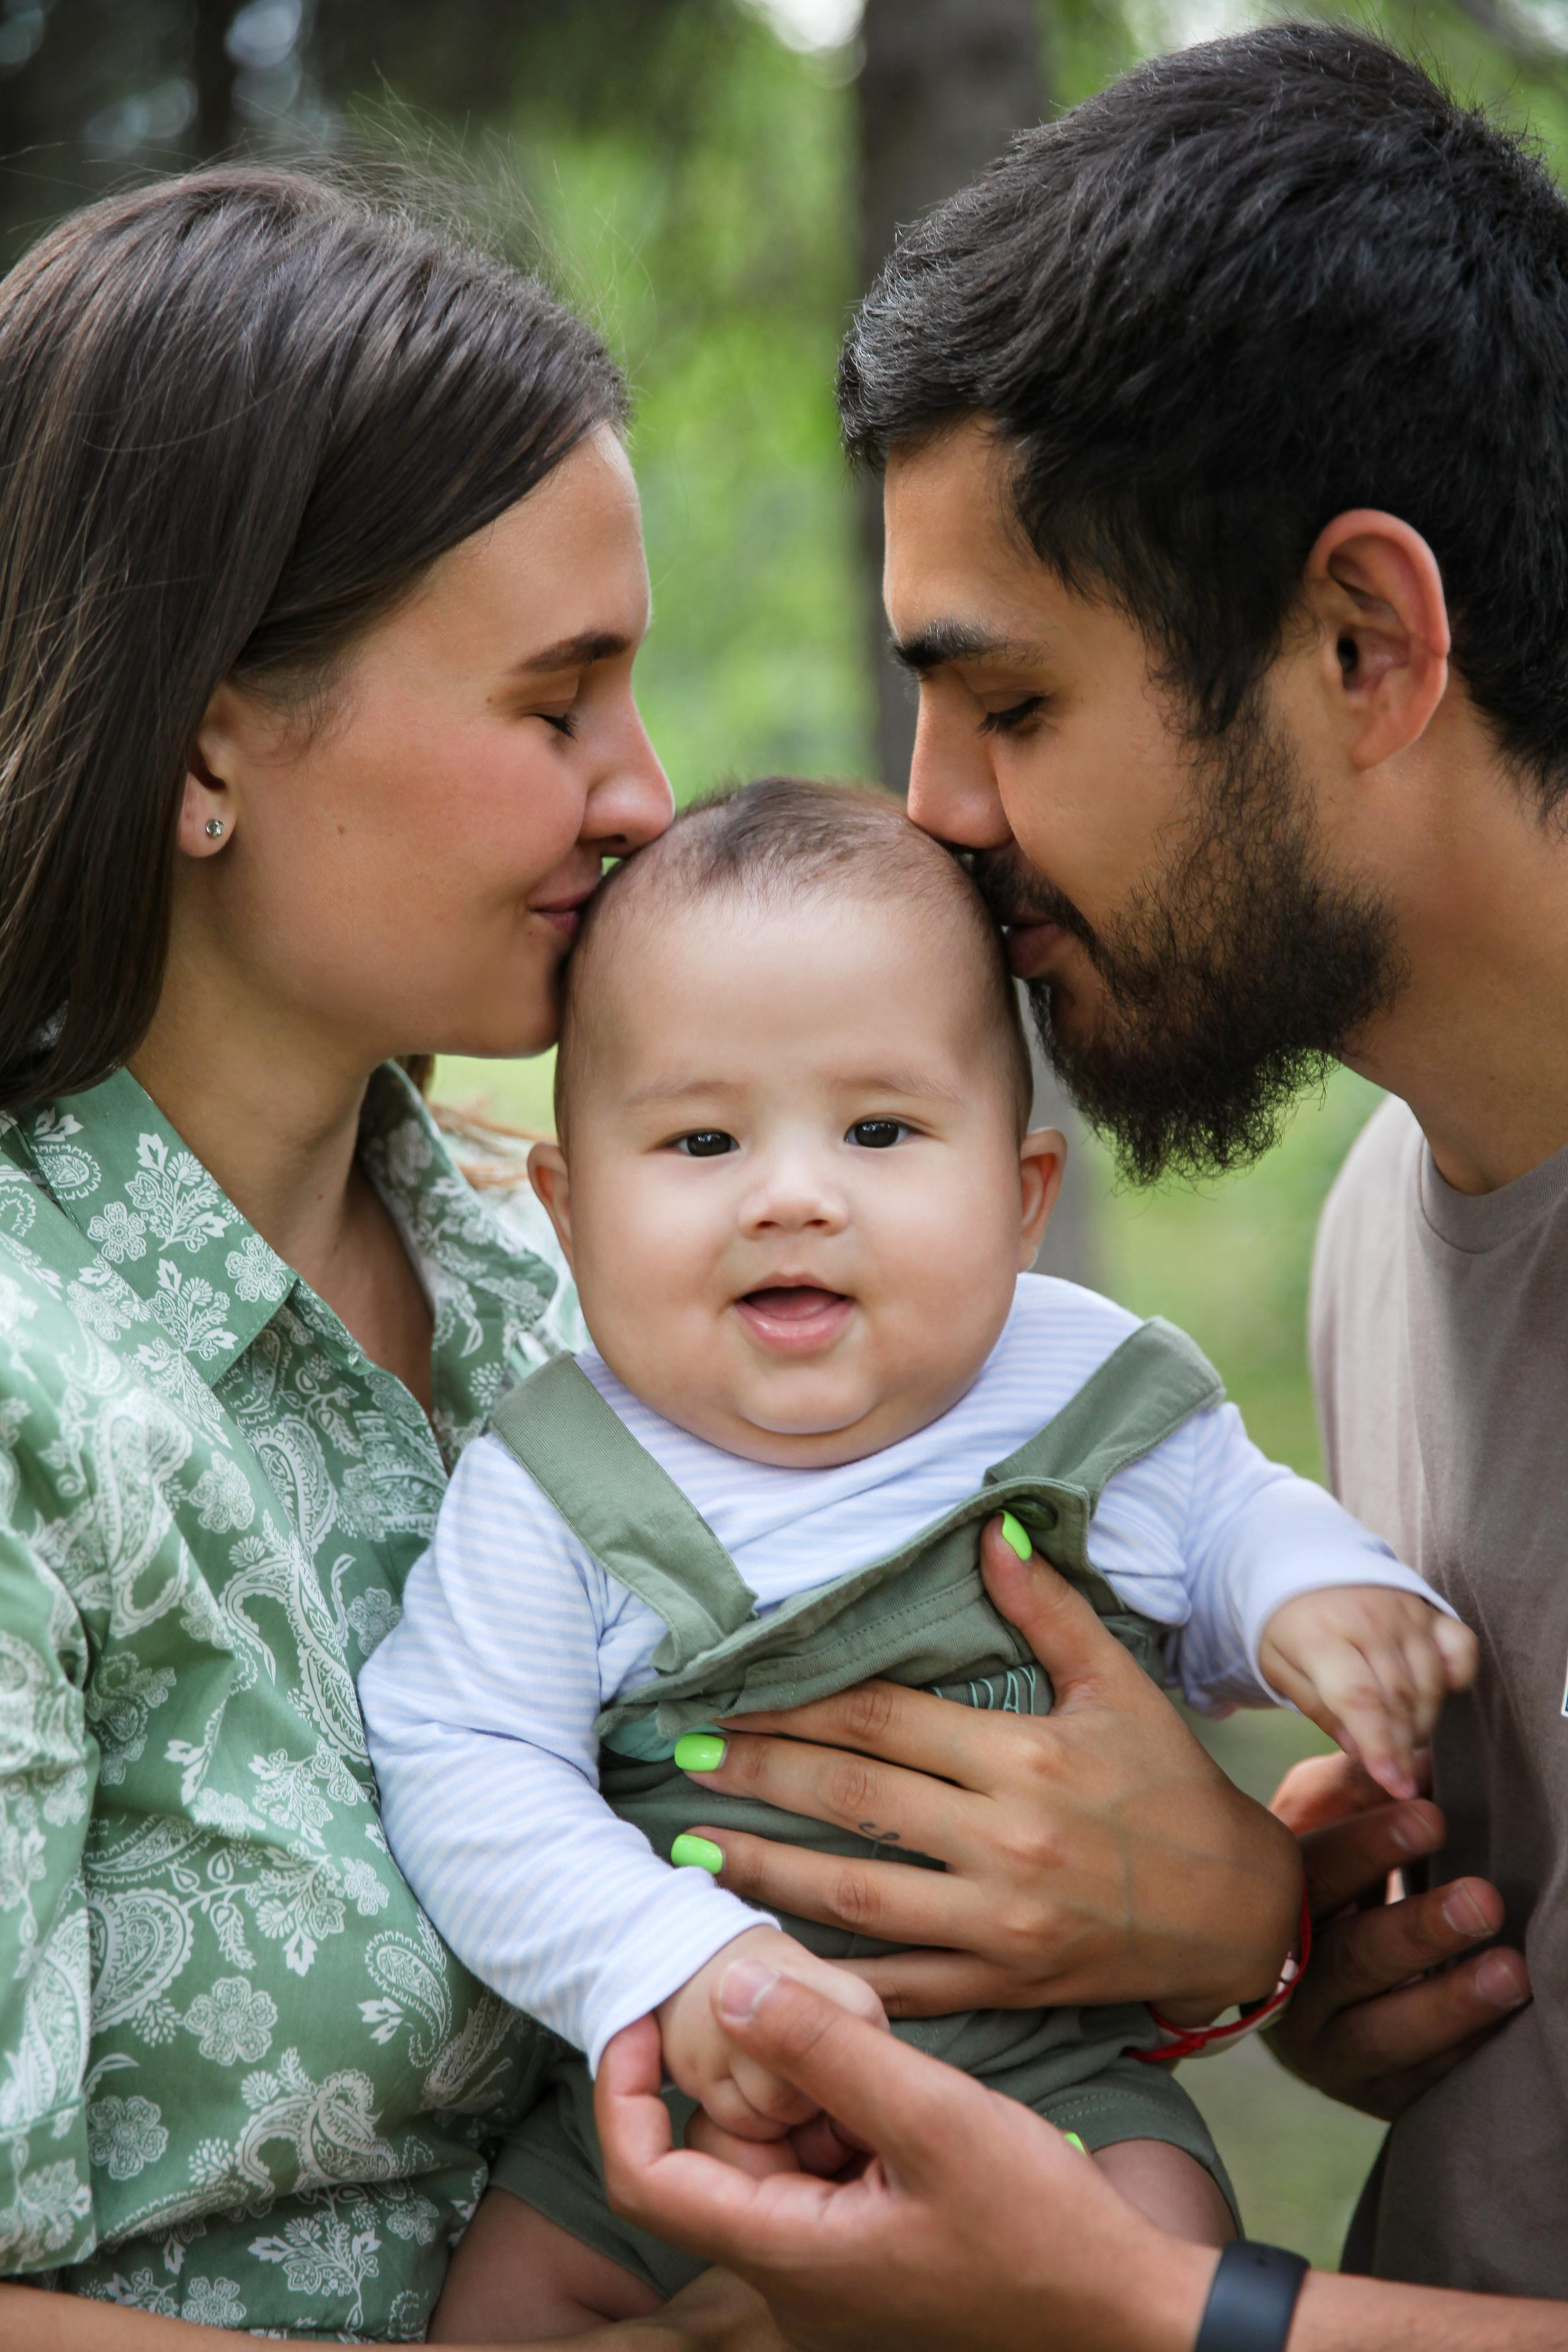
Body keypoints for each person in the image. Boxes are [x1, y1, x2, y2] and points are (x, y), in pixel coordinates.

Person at [590, 12, 1568, 2342]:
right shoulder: (1387, 1230)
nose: (934, 808)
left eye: (1011, 703)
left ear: (1366, 643)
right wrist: (1291, 1966)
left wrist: (1150, 2313)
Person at [363, 775, 1469, 2342]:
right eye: (697, 1138)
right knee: (516, 2304)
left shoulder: (1080, 1390)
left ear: (1020, 1200)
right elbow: (462, 1755)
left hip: (1044, 2093)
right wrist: (673, 1964)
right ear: (567, 1204)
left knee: (1160, 2259)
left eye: (879, 1128)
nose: (792, 1194)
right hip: (685, 2097)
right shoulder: (554, 1472)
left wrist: (1309, 1590)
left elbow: (1228, 1516)